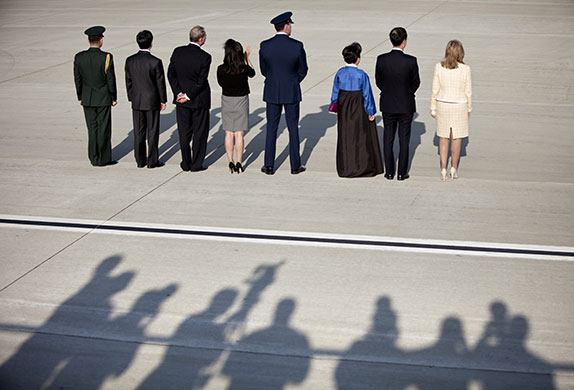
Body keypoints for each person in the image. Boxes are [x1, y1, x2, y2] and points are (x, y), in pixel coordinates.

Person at [259, 11, 308, 175]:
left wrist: (275, 80)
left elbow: (264, 70)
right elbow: (303, 70)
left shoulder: (265, 45)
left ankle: (269, 165)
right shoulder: (297, 45)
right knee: (293, 127)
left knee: (271, 128)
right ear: (286, 25)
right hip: (291, 91)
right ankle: (295, 165)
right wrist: (293, 81)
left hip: (272, 90)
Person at [330, 42, 383, 178]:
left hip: (344, 105)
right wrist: (371, 111)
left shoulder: (340, 73)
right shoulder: (361, 75)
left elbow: (335, 91)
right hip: (358, 105)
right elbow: (367, 94)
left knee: (345, 135)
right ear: (358, 58)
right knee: (360, 135)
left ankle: (346, 166)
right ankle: (361, 166)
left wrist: (335, 106)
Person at [375, 27, 420, 181]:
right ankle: (402, 173)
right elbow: (416, 82)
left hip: (388, 104)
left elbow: (378, 81)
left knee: (388, 139)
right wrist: (407, 93)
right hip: (406, 104)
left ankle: (389, 172)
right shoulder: (411, 61)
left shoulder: (381, 59)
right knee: (404, 140)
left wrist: (387, 91)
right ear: (404, 42)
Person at [167, 25, 211, 172]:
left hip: (181, 101)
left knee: (184, 133)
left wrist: (179, 93)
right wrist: (188, 96)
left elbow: (171, 74)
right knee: (199, 133)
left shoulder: (178, 52)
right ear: (201, 39)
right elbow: (201, 81)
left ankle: (186, 162)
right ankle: (196, 164)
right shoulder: (205, 57)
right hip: (198, 100)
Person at [74, 26, 118, 167]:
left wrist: (80, 95)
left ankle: (93, 157)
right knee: (103, 128)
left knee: (92, 129)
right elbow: (110, 79)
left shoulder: (79, 57)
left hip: (87, 98)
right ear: (100, 40)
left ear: (88, 40)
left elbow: (78, 78)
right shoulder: (106, 57)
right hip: (103, 98)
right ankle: (104, 158)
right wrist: (113, 96)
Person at [125, 30, 167, 169]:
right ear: (151, 43)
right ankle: (152, 160)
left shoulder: (130, 60)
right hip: (151, 100)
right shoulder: (155, 62)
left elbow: (128, 81)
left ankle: (140, 160)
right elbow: (160, 83)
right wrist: (163, 100)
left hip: (137, 100)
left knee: (138, 131)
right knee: (152, 131)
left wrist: (132, 97)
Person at [430, 40, 472, 181]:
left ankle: (443, 169)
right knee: (457, 138)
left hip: (443, 103)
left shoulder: (439, 67)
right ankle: (454, 168)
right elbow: (468, 91)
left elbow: (435, 89)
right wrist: (469, 108)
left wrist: (433, 107)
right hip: (459, 104)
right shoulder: (465, 69)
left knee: (443, 137)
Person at [217, 39, 256, 174]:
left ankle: (230, 161)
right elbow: (253, 73)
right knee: (239, 133)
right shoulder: (243, 68)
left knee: (229, 132)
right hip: (241, 100)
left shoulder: (221, 69)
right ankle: (239, 161)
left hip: (227, 100)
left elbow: (220, 83)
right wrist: (246, 59)